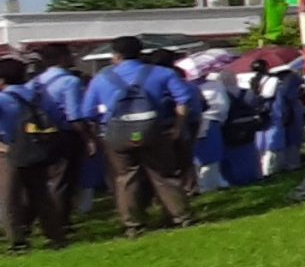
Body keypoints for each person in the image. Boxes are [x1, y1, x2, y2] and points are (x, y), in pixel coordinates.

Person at [86, 36, 193, 237]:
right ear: (141, 52)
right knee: (164, 175)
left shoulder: (101, 78)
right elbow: (183, 100)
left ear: (116, 55)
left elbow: (88, 112)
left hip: (118, 133)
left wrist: (101, 131)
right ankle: (180, 216)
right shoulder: (162, 73)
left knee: (125, 178)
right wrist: (178, 127)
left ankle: (133, 224)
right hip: (153, 129)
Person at [1, 56, 73, 254]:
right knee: (41, 195)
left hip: (8, 151)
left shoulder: (3, 99)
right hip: (36, 146)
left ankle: (18, 242)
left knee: (10, 198)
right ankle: (55, 235)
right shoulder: (34, 94)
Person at [30, 46, 93, 223]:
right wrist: (88, 139)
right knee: (63, 179)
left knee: (48, 178)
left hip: (41, 134)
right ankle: (58, 221)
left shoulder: (35, 82)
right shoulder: (70, 82)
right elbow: (74, 116)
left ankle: (46, 218)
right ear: (62, 58)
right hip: (65, 135)